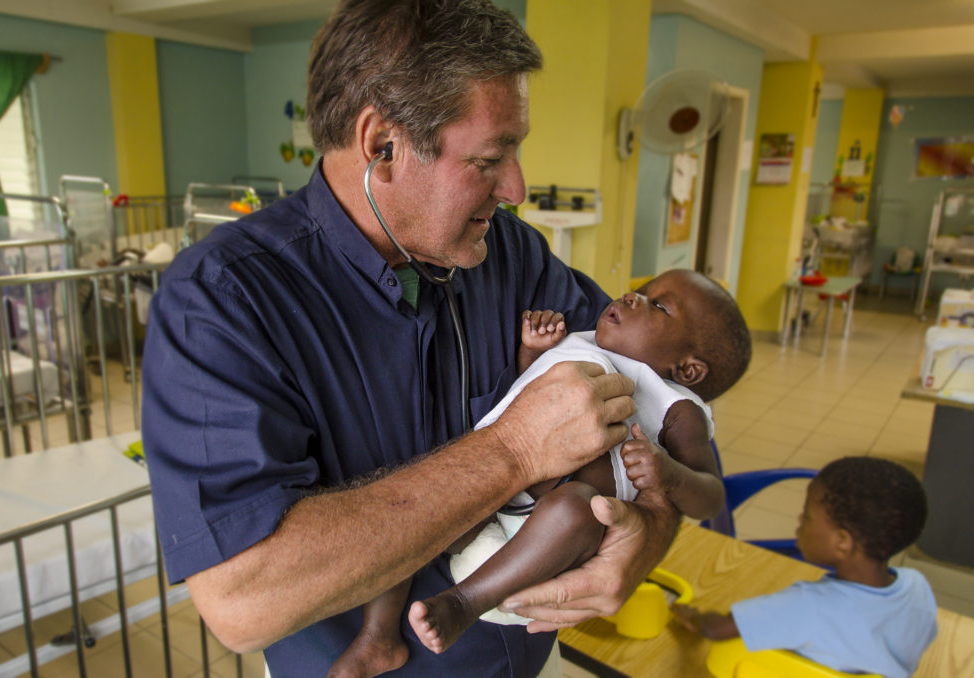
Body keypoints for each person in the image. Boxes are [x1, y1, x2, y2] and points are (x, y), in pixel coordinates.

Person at [140, 1, 682, 676]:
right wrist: (513, 449)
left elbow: (662, 393)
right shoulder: (223, 301)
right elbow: (244, 601)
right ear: (381, 147)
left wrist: (653, 529)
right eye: (489, 158)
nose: (515, 187)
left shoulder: (513, 256)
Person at [327, 268, 750, 672]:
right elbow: (527, 390)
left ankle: (463, 603)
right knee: (415, 499)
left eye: (659, 306)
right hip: (486, 494)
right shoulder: (584, 341)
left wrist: (669, 475)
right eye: (646, 289)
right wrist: (533, 353)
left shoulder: (677, 407)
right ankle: (377, 638)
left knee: (578, 506)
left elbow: (710, 495)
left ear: (688, 369)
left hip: (547, 542)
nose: (632, 295)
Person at [672, 456, 938, 678]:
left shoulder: (806, 605)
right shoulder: (918, 587)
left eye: (807, 515)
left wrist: (693, 616)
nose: (799, 519)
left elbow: (717, 630)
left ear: (842, 542)